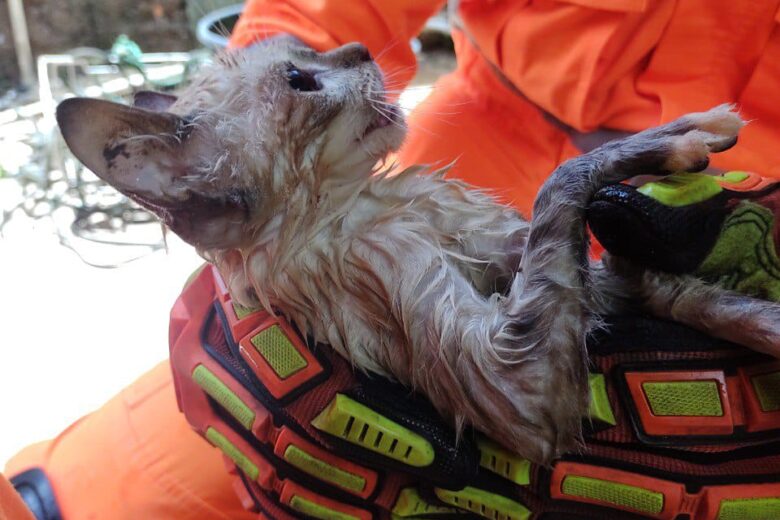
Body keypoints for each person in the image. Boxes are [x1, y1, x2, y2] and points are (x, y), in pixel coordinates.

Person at [4, 1, 780, 518]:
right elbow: (315, 39)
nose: (351, 57)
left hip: (748, 160)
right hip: (485, 119)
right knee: (229, 423)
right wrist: (234, 152)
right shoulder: (279, 171)